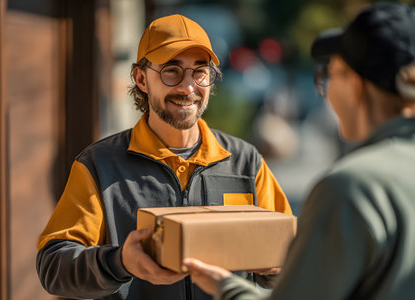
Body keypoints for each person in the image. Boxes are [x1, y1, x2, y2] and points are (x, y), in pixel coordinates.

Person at [36, 14, 293, 300]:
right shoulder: (99, 165)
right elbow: (53, 267)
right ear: (141, 78)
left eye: (200, 71)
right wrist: (119, 262)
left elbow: (290, 256)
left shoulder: (245, 162)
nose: (188, 88)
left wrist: (277, 267)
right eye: (172, 70)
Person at [183, 2, 415, 299]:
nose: (327, 90)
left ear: (355, 84)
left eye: (330, 75)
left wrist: (224, 286)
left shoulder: (354, 189)